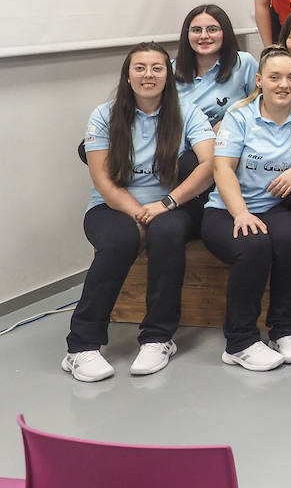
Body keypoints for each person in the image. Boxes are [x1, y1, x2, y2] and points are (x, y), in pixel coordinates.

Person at [63, 43, 215, 382]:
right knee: (120, 239)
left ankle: (158, 338)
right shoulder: (105, 115)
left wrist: (166, 204)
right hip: (112, 206)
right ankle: (81, 346)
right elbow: (103, 180)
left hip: (172, 204)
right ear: (128, 75)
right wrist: (138, 213)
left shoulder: (187, 111)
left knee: (167, 231)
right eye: (140, 68)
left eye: (157, 68)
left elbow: (209, 164)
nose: (149, 75)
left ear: (167, 75)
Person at [201, 46, 291, 372]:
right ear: (259, 80)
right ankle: (240, 342)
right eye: (274, 77)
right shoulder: (239, 115)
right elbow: (223, 169)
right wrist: (242, 213)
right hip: (228, 209)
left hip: (279, 207)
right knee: (254, 245)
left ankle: (284, 330)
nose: (283, 84)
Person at [173, 4, 257, 128]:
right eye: (196, 30)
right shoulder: (170, 69)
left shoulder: (243, 63)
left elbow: (263, 109)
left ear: (225, 32)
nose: (204, 36)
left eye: (212, 29)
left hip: (232, 142)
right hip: (184, 144)